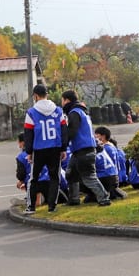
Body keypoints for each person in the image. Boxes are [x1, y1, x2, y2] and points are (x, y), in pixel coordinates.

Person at [61, 90, 111, 207]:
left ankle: (104, 198)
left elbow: (72, 131)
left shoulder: (74, 113)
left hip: (83, 150)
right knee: (70, 174)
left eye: (62, 101)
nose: (62, 104)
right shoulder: (82, 112)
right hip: (80, 150)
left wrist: (63, 143)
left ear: (67, 100)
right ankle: (74, 199)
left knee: (89, 177)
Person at [22, 84, 67, 214]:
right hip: (55, 147)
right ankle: (52, 206)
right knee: (54, 177)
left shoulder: (31, 112)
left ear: (35, 96)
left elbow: (28, 133)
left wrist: (29, 151)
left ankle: (31, 207)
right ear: (47, 94)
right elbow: (64, 130)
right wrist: (63, 148)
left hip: (39, 148)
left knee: (34, 178)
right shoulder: (58, 110)